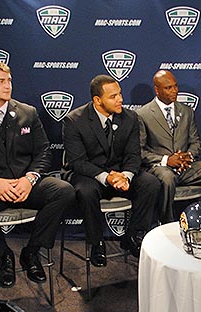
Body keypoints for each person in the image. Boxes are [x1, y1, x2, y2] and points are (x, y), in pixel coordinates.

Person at [0, 61, 75, 288]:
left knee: (64, 191)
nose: (8, 86)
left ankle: (32, 251)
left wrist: (29, 179)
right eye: (1, 81)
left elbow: (43, 152)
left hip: (25, 182)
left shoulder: (28, 112)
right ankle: (4, 255)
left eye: (9, 80)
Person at [62, 74, 160, 267]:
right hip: (89, 174)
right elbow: (78, 161)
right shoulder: (74, 120)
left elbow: (134, 155)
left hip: (120, 175)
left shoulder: (130, 117)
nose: (120, 100)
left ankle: (132, 236)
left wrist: (126, 176)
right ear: (97, 100)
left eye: (120, 94)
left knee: (151, 183)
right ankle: (96, 243)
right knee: (86, 191)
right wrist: (107, 177)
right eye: (113, 96)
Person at [136, 70, 201, 223]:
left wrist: (188, 157)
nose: (174, 91)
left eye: (175, 86)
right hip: (160, 168)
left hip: (186, 167)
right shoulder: (142, 114)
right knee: (167, 178)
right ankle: (165, 224)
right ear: (157, 90)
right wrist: (167, 160)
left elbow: (195, 142)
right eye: (168, 88)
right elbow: (139, 151)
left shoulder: (186, 111)